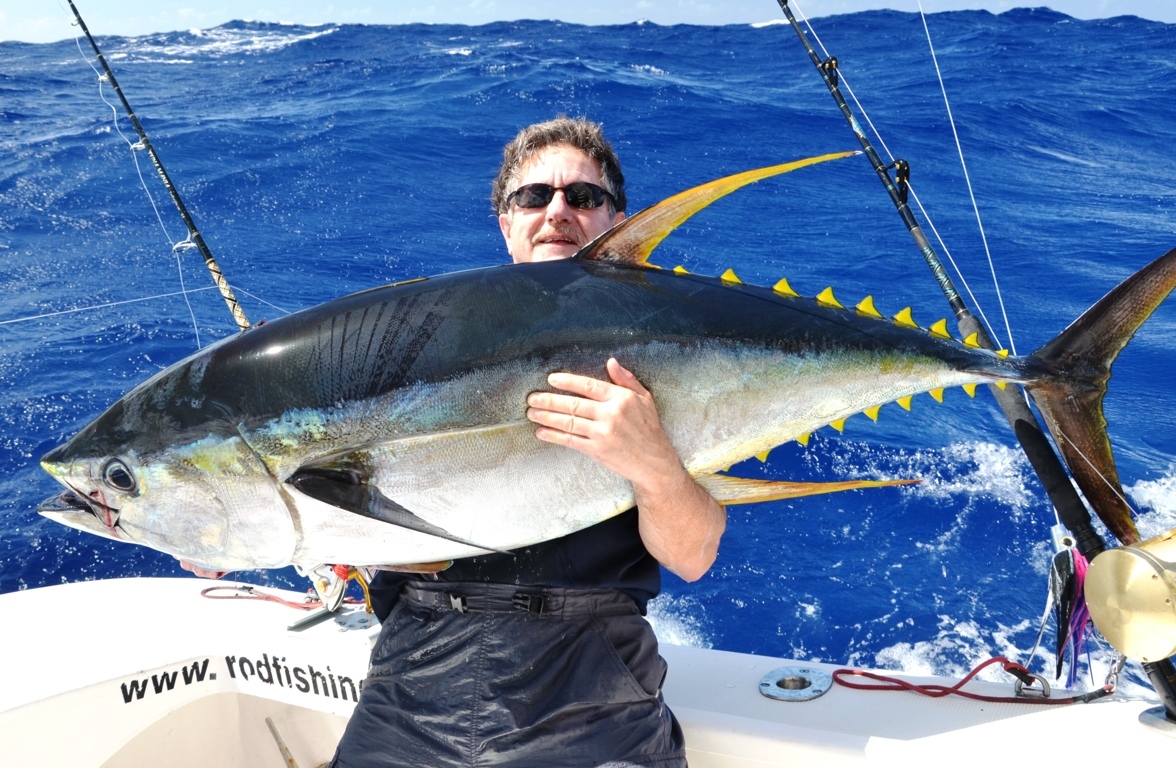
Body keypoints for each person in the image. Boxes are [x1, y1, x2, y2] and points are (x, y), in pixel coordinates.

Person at [327, 116, 727, 767]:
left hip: (591, 693)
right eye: (533, 197)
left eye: (584, 196)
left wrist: (654, 466)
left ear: (615, 218)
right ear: (506, 223)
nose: (558, 211)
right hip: (410, 685)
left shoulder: (660, 354)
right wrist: (218, 522)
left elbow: (694, 556)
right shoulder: (414, 345)